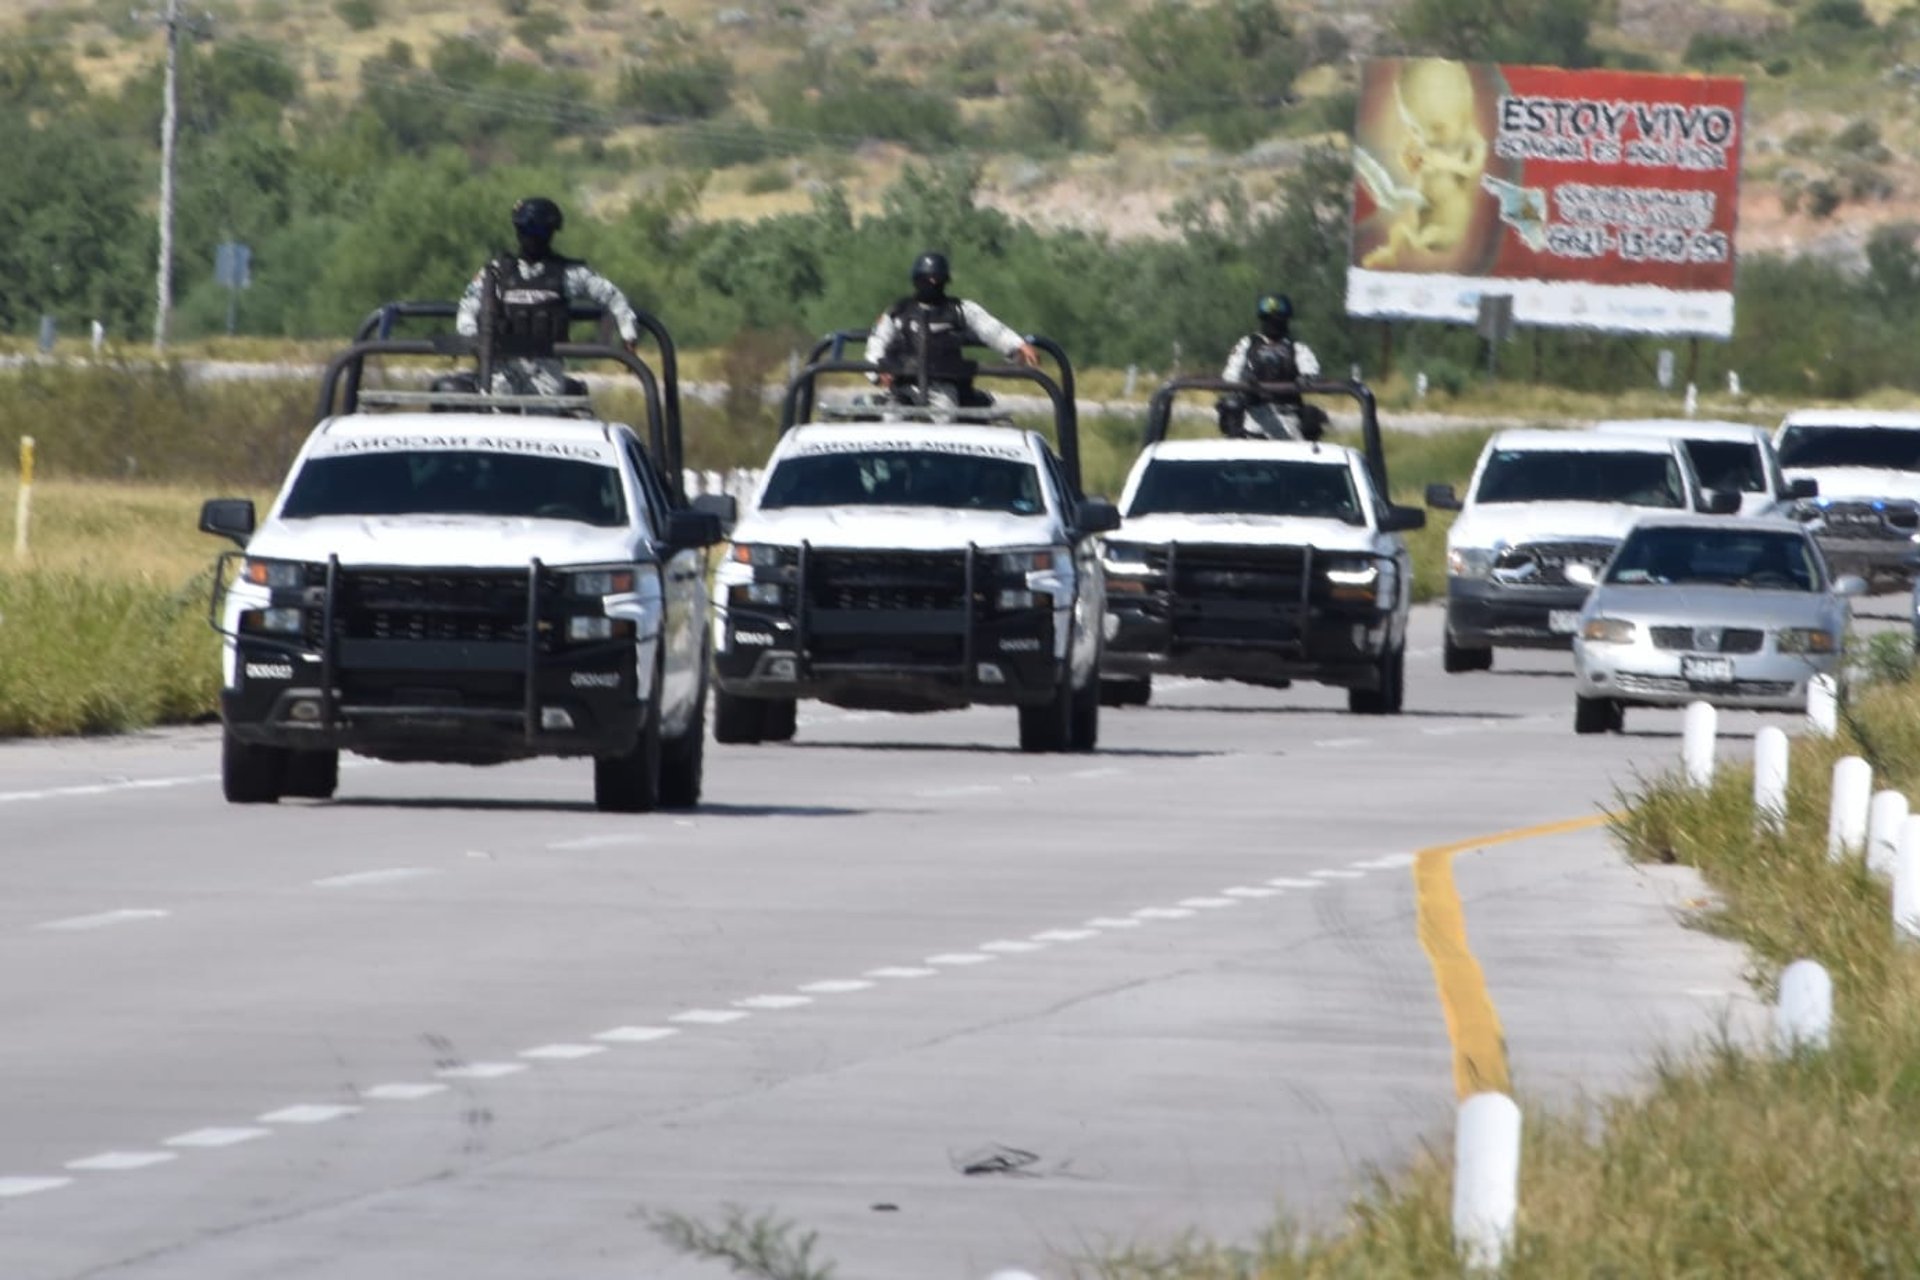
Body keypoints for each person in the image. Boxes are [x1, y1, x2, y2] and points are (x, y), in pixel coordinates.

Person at [451, 196, 642, 400]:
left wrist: (628, 335)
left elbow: (614, 297)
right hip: (501, 367)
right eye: (525, 229)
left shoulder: (570, 274)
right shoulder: (496, 272)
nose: (532, 237)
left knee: (544, 420)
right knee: (497, 417)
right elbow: (468, 307)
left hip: (546, 369)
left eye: (540, 231)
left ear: (551, 233)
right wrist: (475, 341)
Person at [864, 251, 1039, 410]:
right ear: (917, 280)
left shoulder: (960, 310)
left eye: (937, 278)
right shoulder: (898, 311)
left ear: (945, 281)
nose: (932, 283)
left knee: (945, 419)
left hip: (944, 387)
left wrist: (1018, 345)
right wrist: (877, 372)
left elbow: (992, 329)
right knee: (891, 418)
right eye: (927, 279)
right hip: (902, 385)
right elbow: (878, 341)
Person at [1217, 292, 1325, 441]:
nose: (1273, 324)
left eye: (1278, 320)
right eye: (1269, 319)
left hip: (1289, 417)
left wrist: (1305, 379)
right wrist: (1244, 380)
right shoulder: (1247, 344)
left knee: (1310, 419)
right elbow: (1230, 375)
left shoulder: (1296, 348)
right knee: (1231, 405)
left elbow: (1312, 372)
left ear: (1286, 321)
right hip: (1255, 417)